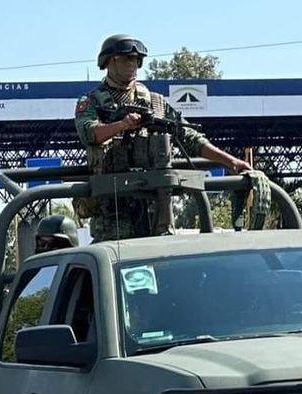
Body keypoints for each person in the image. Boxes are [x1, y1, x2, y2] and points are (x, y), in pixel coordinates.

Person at [74, 34, 252, 241]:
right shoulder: (92, 101)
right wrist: (121, 125)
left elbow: (189, 136)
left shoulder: (155, 102)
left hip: (156, 204)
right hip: (112, 206)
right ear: (109, 61)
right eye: (125, 58)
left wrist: (231, 161)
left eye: (135, 59)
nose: (132, 64)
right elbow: (89, 132)